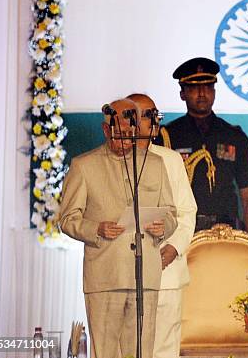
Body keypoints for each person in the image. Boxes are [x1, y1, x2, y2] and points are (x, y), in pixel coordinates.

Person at [58, 98, 177, 358]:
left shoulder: (154, 164)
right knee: (105, 353)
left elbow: (171, 213)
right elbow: (67, 218)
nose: (123, 142)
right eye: (117, 134)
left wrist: (163, 227)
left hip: (145, 275)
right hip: (105, 275)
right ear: (105, 129)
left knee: (142, 352)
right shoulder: (84, 166)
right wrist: (96, 229)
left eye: (128, 136)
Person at [154, 57, 248, 237]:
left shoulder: (234, 136)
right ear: (182, 94)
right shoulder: (167, 136)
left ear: (214, 91)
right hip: (183, 232)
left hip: (228, 232)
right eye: (194, 88)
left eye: (208, 86)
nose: (202, 93)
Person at [127, 93, 197, 358]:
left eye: (154, 115)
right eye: (144, 114)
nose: (151, 120)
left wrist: (173, 248)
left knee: (164, 350)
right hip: (123, 275)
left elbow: (187, 211)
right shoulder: (107, 160)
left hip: (166, 272)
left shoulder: (171, 159)